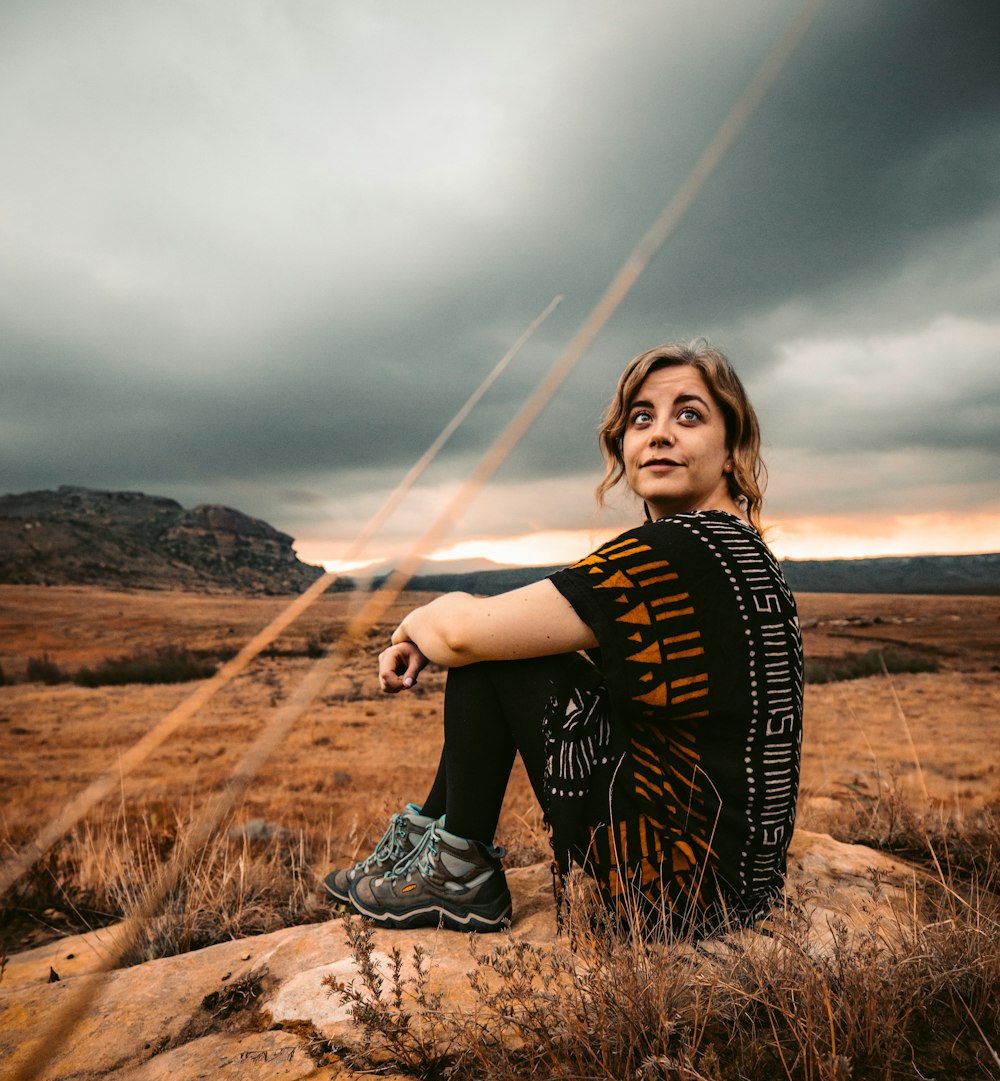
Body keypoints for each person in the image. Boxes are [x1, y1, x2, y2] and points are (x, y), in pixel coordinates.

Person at [324, 341, 803, 937]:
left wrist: (419, 622)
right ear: (623, 447)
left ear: (731, 451)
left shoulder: (680, 549)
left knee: (491, 650)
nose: (658, 434)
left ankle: (456, 865)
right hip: (735, 878)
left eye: (689, 415)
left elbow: (465, 637)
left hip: (674, 889)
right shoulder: (737, 548)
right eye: (641, 418)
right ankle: (432, 841)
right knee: (505, 639)